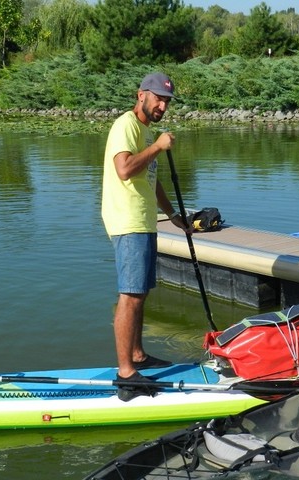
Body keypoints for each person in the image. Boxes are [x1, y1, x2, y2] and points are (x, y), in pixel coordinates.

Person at [101, 72, 189, 401]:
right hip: (128, 221)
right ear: (141, 95)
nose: (162, 106)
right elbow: (124, 169)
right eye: (158, 99)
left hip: (145, 220)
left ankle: (137, 355)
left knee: (141, 292)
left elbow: (152, 180)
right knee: (130, 295)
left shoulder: (145, 131)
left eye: (166, 101)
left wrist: (173, 216)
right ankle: (126, 374)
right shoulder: (127, 125)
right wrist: (157, 146)